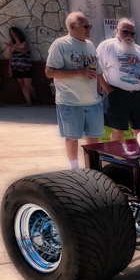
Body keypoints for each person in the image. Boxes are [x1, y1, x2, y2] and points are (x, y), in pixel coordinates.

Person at [45, 12, 104, 169]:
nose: (88, 29)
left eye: (89, 26)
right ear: (72, 26)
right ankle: (74, 169)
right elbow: (49, 72)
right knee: (72, 137)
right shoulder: (61, 45)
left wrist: (99, 93)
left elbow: (98, 72)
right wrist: (79, 72)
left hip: (93, 101)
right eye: (85, 26)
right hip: (70, 101)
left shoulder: (90, 45)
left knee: (94, 137)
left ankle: (93, 167)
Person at [97, 18, 140, 142]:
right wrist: (108, 90)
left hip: (138, 95)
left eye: (132, 33)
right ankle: (116, 158)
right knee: (118, 130)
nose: (129, 35)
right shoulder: (107, 46)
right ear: (117, 31)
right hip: (116, 94)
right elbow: (98, 71)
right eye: (125, 32)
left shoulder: (139, 50)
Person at [4, 26, 38, 106]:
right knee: (22, 85)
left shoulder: (24, 42)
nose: (13, 34)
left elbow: (24, 51)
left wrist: (12, 46)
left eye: (14, 32)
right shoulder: (12, 45)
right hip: (16, 67)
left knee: (28, 85)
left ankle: (35, 97)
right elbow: (11, 57)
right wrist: (9, 68)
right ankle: (28, 102)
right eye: (11, 33)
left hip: (26, 66)